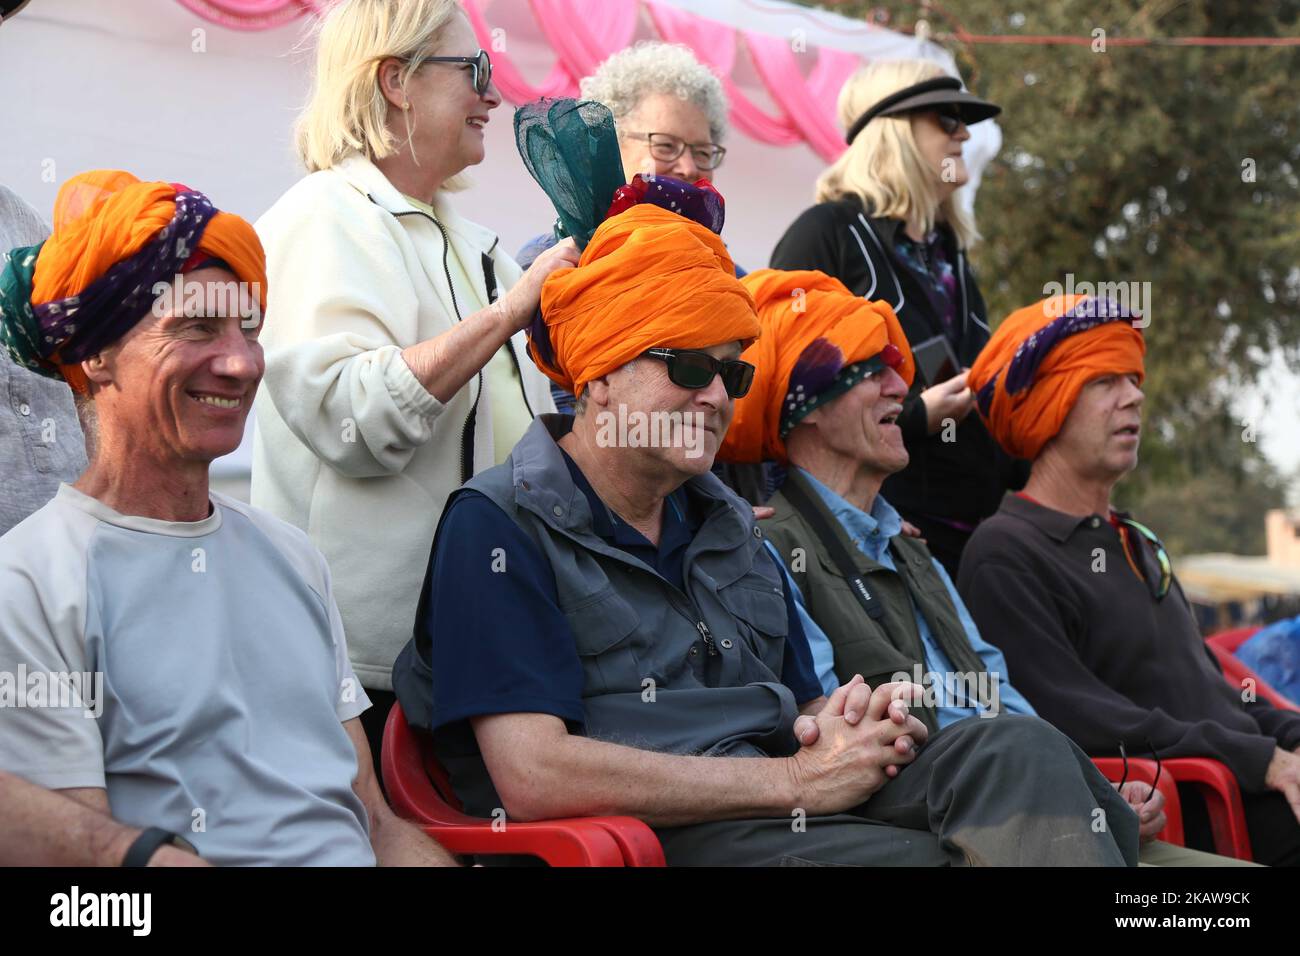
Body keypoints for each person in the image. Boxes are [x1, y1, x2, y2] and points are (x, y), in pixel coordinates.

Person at [393, 191, 1140, 866]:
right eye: (688, 366)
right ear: (598, 377)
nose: (716, 394)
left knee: (1016, 750)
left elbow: (796, 705)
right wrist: (793, 780)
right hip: (653, 833)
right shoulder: (497, 529)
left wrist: (846, 720)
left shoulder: (726, 526)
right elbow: (534, 775)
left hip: (780, 801)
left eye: (734, 373)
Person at [0, 169, 454, 866]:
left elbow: (375, 823)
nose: (241, 363)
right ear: (96, 355)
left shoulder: (291, 556)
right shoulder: (31, 584)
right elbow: (87, 885)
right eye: (196, 328)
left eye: (249, 327)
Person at [723, 270, 1253, 867]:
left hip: (1022, 805)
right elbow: (827, 737)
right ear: (806, 409)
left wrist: (1097, 789)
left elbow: (1003, 701)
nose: (902, 387)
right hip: (938, 819)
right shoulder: (769, 546)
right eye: (872, 371)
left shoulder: (912, 551)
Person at [251, 0, 578, 765]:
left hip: (486, 660)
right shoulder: (321, 217)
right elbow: (351, 420)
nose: (494, 96)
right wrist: (508, 313)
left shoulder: (477, 244)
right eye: (476, 70)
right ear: (396, 81)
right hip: (361, 681)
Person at [958, 293, 1300, 866]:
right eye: (1105, 380)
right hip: (1202, 815)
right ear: (1046, 402)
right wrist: (1260, 759)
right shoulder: (1004, 554)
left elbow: (1211, 693)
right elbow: (1083, 719)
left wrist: (1287, 737)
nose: (1135, 395)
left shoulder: (1134, 540)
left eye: (1134, 379)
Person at [769, 59, 1024, 575]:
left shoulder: (948, 251)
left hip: (974, 533)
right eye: (946, 119)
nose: (964, 133)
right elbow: (780, 390)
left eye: (963, 120)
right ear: (893, 133)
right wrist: (915, 417)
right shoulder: (827, 233)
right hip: (877, 535)